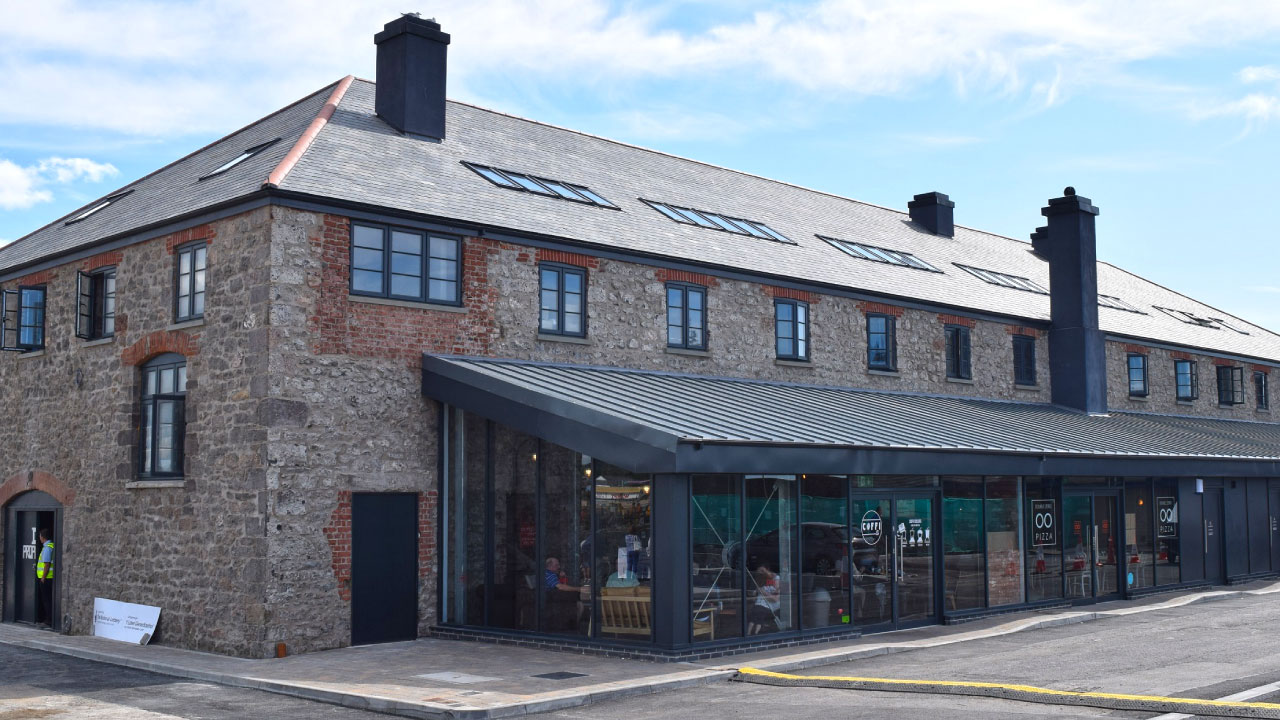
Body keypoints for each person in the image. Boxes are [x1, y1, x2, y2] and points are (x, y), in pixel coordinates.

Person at [747, 565, 781, 635]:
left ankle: (754, 632)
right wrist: (756, 592)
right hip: (760, 603)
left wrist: (764, 593)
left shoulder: (775, 582)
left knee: (758, 615)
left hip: (767, 605)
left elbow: (775, 599)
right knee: (754, 616)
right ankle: (750, 633)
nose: (760, 573)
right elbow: (753, 593)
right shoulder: (761, 581)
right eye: (759, 572)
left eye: (762, 571)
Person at [35, 528, 54, 628]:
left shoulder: (47, 548)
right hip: (49, 577)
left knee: (46, 600)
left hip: (46, 578)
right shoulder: (51, 546)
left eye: (40, 536)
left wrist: (43, 578)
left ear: (42, 537)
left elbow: (47, 564)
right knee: (48, 599)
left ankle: (48, 620)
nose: (39, 538)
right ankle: (48, 619)